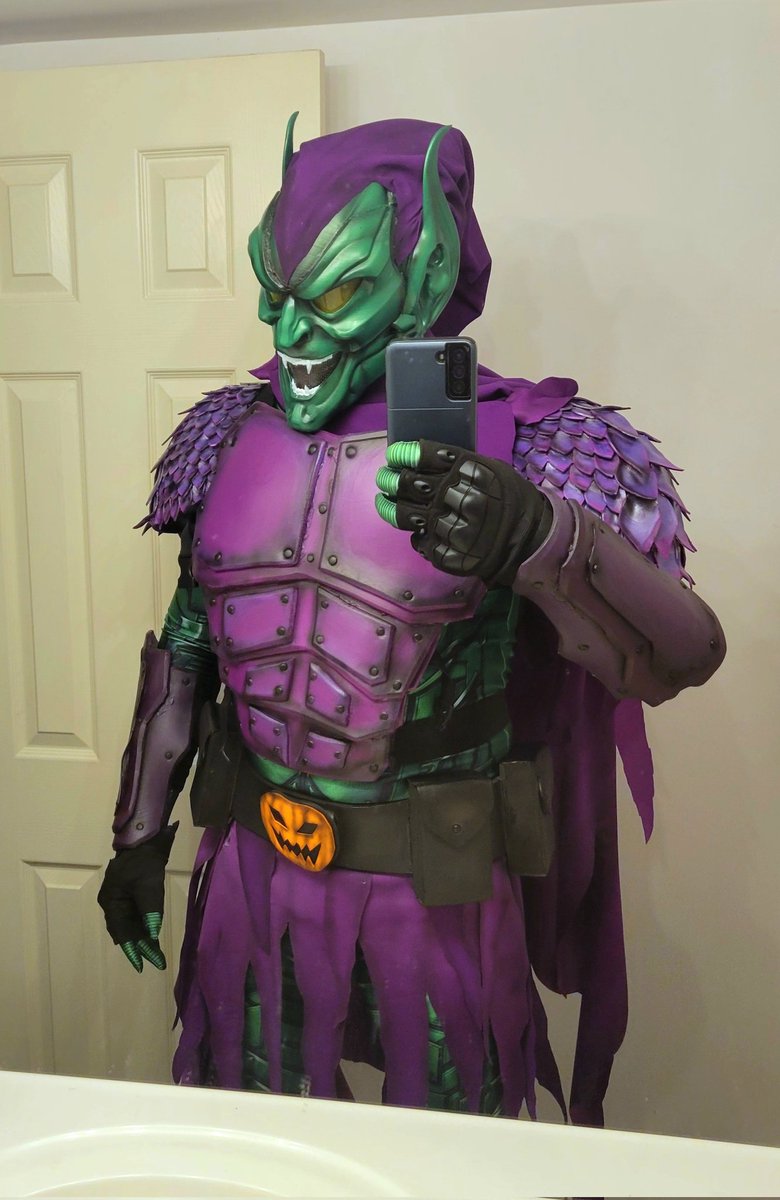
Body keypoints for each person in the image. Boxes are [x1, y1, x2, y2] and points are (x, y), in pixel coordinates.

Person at [98, 117, 725, 1123]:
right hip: (251, 868)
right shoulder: (227, 431)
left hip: (436, 886)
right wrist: (138, 836)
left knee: (457, 1157)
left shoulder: (543, 444)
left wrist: (539, 533)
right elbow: (188, 645)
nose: (289, 334)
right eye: (274, 293)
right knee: (251, 1147)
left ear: (426, 276)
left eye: (334, 295)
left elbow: (682, 654)